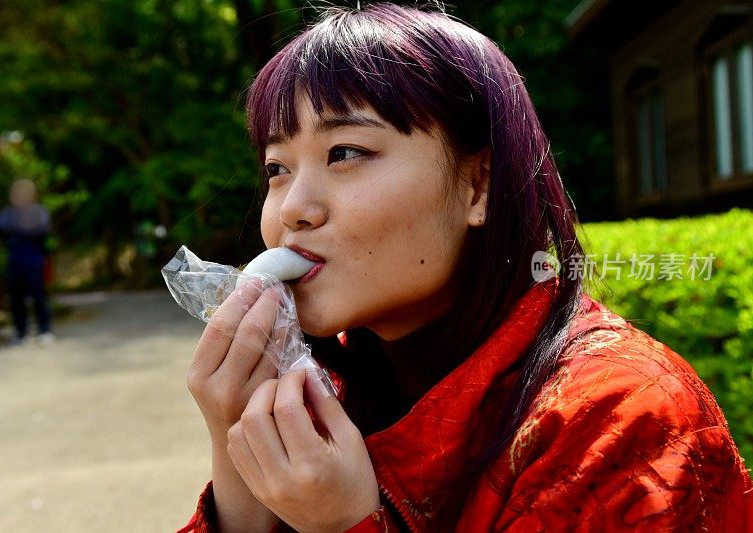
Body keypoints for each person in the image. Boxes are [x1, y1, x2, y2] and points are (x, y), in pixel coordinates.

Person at [177, 4, 753, 532]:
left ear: (478, 185)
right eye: (277, 167)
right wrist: (238, 468)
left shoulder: (621, 422)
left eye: (345, 153)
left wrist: (345, 523)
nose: (293, 209)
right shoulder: (323, 388)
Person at [0, 178, 54, 345]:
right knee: (16, 298)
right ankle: (21, 332)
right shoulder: (7, 214)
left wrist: (20, 230)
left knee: (39, 296)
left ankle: (45, 330)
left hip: (35, 261)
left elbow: (41, 229)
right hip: (15, 261)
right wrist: (24, 228)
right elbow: (0, 228)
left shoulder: (39, 212)